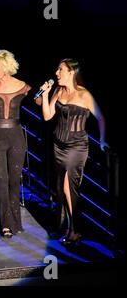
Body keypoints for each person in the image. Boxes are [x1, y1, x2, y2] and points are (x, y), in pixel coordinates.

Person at [39, 58, 107, 246]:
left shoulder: (84, 95)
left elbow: (100, 118)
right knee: (61, 188)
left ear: (71, 73)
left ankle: (73, 230)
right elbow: (47, 116)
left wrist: (102, 140)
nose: (56, 73)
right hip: (59, 145)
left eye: (60, 70)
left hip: (77, 145)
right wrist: (44, 95)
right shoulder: (58, 90)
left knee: (70, 187)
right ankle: (69, 227)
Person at [0, 49, 31, 238]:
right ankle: (5, 224)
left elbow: (37, 101)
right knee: (1, 179)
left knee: (14, 180)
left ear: (6, 66)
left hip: (16, 135)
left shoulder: (23, 86)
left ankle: (15, 222)